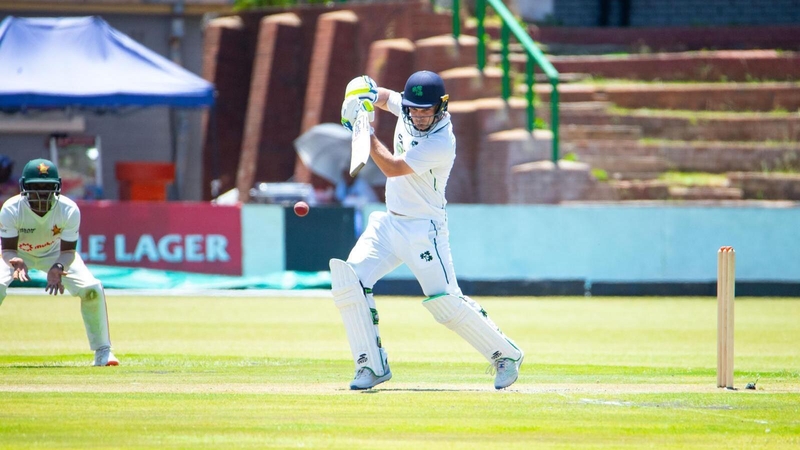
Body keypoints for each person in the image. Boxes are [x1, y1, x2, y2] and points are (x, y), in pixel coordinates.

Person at [332, 71, 523, 390]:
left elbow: (392, 166)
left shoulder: (441, 142)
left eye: (427, 110)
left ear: (441, 107)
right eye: (414, 109)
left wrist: (363, 130)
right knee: (350, 280)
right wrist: (362, 95)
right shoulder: (407, 110)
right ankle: (371, 366)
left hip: (424, 229)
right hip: (390, 223)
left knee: (445, 303)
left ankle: (505, 355)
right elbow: (382, 96)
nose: (420, 115)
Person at [0, 158, 118, 366]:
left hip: (55, 253)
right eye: (36, 187)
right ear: (24, 187)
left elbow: (68, 251)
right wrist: (15, 261)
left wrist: (58, 267)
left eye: (47, 187)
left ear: (57, 187)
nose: (42, 193)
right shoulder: (11, 208)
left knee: (92, 289)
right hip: (17, 254)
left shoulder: (68, 209)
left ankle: (103, 351)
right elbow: (7, 249)